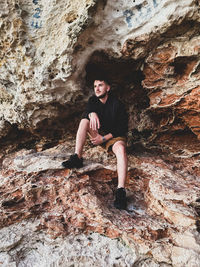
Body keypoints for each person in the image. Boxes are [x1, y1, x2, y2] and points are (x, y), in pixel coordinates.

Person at [62, 75, 128, 210]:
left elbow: (122, 128)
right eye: (95, 86)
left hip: (112, 137)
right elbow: (88, 110)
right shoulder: (93, 100)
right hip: (97, 133)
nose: (97, 89)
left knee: (121, 149)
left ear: (108, 88)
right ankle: (77, 157)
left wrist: (103, 139)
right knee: (84, 120)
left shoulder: (118, 104)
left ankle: (121, 191)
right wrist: (92, 113)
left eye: (100, 85)